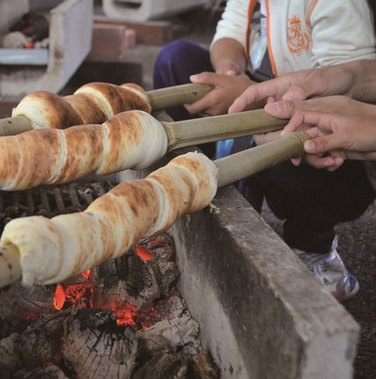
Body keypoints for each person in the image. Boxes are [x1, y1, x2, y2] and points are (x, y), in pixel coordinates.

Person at [152, 1, 376, 301]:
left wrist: (249, 101)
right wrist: (229, 73)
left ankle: (312, 246)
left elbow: (344, 100)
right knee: (174, 59)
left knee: (312, 145)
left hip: (314, 120)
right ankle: (190, 185)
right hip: (258, 96)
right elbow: (229, 34)